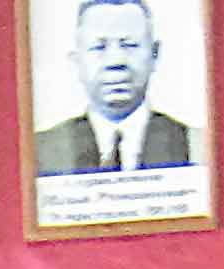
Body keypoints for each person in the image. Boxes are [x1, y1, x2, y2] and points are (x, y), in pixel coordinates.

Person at [33, 0, 194, 172]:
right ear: (76, 61)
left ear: (155, 54)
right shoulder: (40, 151)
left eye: (130, 45)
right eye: (98, 47)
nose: (115, 61)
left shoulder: (195, 145)